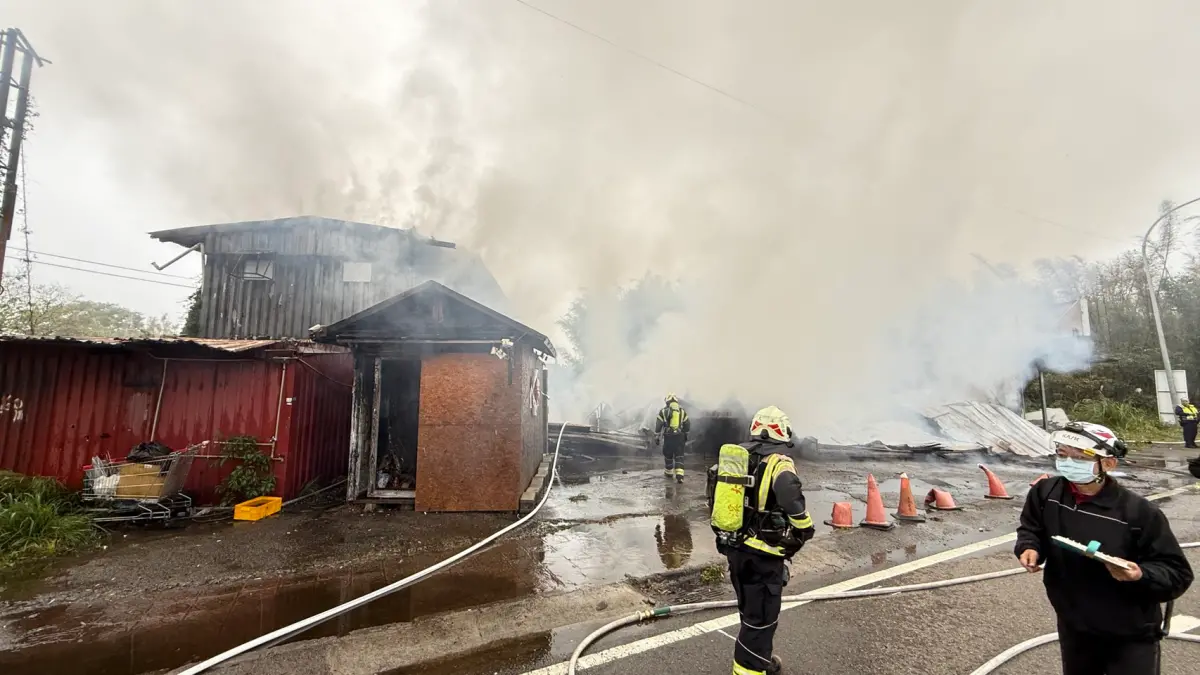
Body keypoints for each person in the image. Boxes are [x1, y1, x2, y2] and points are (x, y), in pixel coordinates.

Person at [1015, 421, 1193, 675]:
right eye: (1062, 454)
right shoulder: (1046, 493)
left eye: (1079, 458)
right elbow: (1031, 528)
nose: (1068, 463)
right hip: (1074, 625)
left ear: (1108, 464)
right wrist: (1029, 547)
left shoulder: (1139, 513)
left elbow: (1177, 574)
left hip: (1129, 633)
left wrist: (1140, 574)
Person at [707, 405, 815, 675]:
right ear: (782, 432)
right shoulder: (779, 463)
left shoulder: (736, 458)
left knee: (750, 612)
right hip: (764, 556)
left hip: (735, 548)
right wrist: (805, 530)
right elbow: (792, 499)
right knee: (761, 622)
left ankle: (761, 661)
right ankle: (749, 669)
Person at [655, 393, 691, 482]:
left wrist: (657, 435)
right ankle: (680, 475)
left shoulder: (663, 411)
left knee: (668, 454)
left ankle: (669, 472)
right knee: (679, 455)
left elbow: (658, 424)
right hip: (679, 437)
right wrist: (685, 433)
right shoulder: (682, 411)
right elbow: (687, 424)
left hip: (668, 437)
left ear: (667, 402)